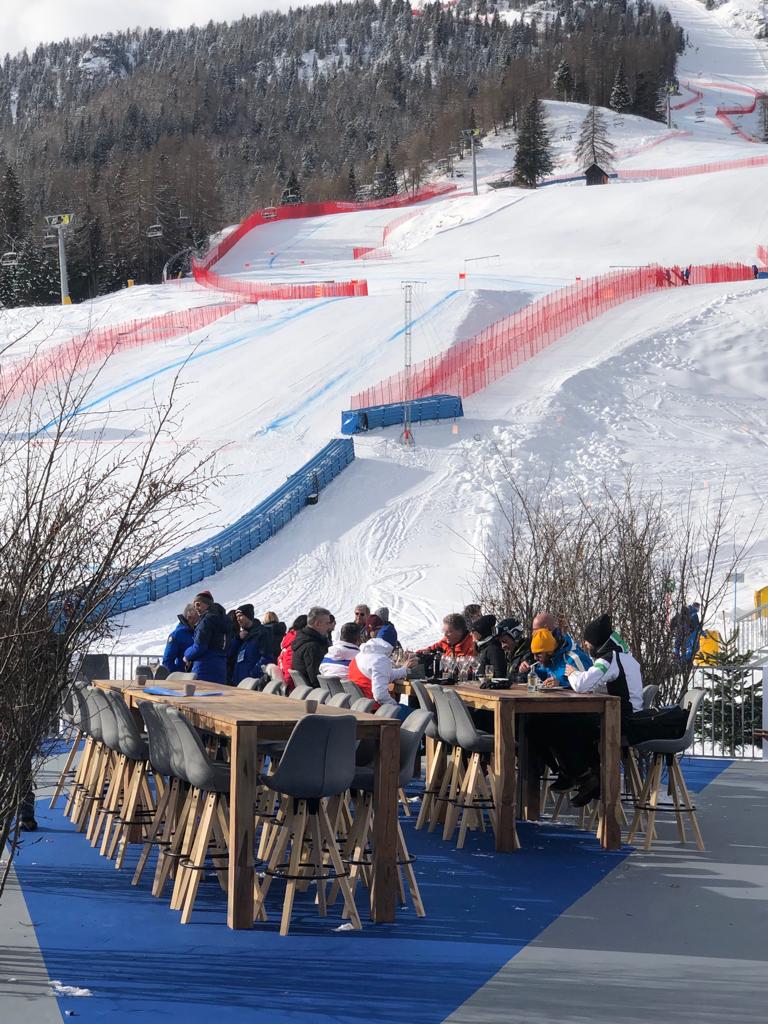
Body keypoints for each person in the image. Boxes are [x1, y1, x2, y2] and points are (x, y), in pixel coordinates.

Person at [348, 615, 417, 715]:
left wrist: (404, 670)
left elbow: (383, 674)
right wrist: (395, 706)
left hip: (360, 707)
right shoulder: (380, 659)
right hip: (376, 711)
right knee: (419, 715)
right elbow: (380, 695)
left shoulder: (361, 655)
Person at [183, 592, 231, 684]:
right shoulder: (226, 620)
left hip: (203, 669)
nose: (196, 608)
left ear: (205, 604)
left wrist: (186, 654)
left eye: (197, 604)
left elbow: (199, 647)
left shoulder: (206, 621)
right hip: (221, 669)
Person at [291, 607, 332, 686]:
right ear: (317, 624)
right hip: (317, 694)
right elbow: (316, 679)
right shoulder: (312, 647)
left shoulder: (303, 639)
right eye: (327, 623)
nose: (329, 626)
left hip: (307, 691)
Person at [231, 604, 270, 686]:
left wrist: (253, 674)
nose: (238, 619)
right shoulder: (243, 635)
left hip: (252, 683)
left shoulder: (261, 632)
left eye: (240, 616)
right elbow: (230, 653)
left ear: (248, 616)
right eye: (236, 617)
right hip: (239, 682)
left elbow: (267, 656)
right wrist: (237, 639)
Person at [162, 603, 199, 673]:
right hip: (185, 678)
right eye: (197, 614)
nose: (200, 617)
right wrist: (182, 673)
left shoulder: (200, 631)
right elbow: (167, 662)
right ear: (189, 616)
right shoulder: (177, 634)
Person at [276, 614, 307, 689]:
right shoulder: (294, 644)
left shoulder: (289, 640)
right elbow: (288, 668)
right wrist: (286, 688)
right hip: (293, 688)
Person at [472, 614, 507, 679]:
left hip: (491, 687)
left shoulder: (493, 649)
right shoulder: (482, 647)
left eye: (473, 631)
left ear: (481, 632)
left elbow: (499, 675)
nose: (471, 634)